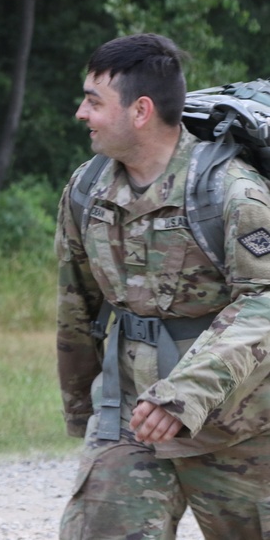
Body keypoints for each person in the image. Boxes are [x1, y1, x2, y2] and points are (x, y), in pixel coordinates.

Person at [55, 32, 270, 539]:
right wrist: (85, 410)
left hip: (238, 428)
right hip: (132, 417)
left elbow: (263, 302)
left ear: (141, 110)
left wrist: (185, 394)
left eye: (93, 101)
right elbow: (76, 303)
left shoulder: (232, 192)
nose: (81, 114)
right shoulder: (87, 190)